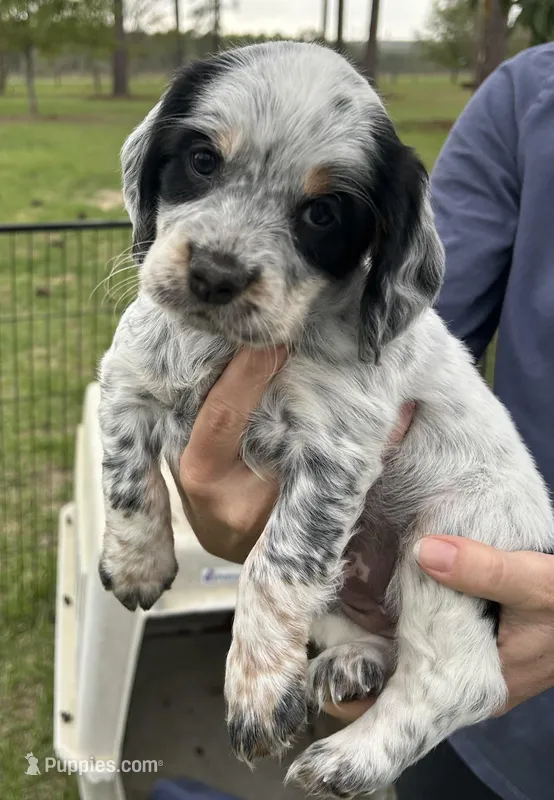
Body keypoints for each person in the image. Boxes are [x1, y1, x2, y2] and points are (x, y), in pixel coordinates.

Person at [178, 42, 554, 800]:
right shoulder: (529, 97)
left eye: (320, 210)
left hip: (473, 604)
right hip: (476, 724)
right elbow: (403, 323)